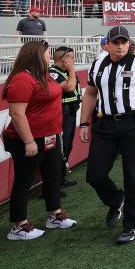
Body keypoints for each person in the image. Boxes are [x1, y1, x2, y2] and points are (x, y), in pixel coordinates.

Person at [79, 26, 135, 245]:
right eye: (116, 42)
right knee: (94, 175)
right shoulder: (98, 64)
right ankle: (116, 200)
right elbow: (90, 93)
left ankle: (130, 224)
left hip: (132, 125)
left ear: (129, 43)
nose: (120, 46)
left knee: (132, 175)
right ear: (107, 44)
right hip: (105, 124)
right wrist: (84, 122)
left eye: (124, 42)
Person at [2, 40, 77, 241]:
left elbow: (66, 88)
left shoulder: (44, 75)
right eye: (47, 53)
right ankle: (19, 225)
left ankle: (55, 215)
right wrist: (28, 141)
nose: (50, 56)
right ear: (36, 55)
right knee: (23, 181)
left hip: (50, 137)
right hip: (28, 139)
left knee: (53, 176)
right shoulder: (22, 79)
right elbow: (17, 114)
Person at [49, 46, 82, 187]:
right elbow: (68, 87)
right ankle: (54, 183)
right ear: (65, 59)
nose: (74, 61)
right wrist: (72, 71)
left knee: (67, 146)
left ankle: (61, 179)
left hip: (71, 112)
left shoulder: (66, 71)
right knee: (61, 148)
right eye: (72, 58)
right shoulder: (53, 73)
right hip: (63, 113)